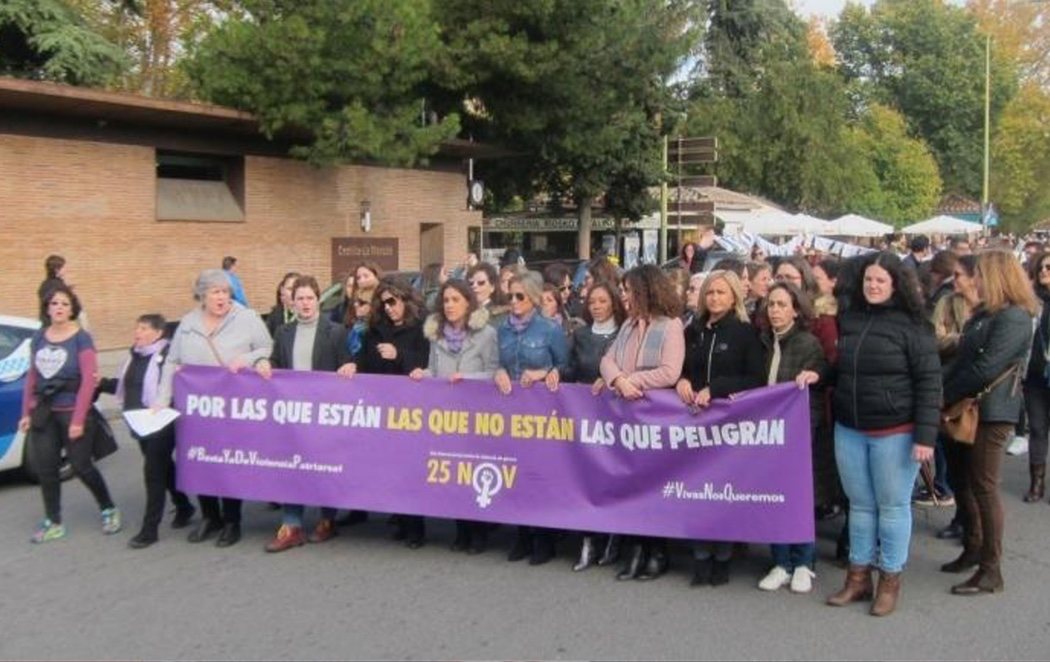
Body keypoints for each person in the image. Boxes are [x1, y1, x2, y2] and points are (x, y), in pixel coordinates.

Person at [826, 252, 940, 617]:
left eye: (880, 280)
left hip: (896, 431)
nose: (873, 286)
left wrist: (925, 436)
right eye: (868, 280)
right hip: (850, 428)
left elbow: (929, 382)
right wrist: (820, 376)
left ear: (895, 284)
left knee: (892, 508)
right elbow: (843, 369)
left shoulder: (913, 326)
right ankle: (858, 579)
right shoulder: (851, 319)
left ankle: (890, 579)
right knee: (859, 507)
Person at [941, 250, 1036, 596]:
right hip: (967, 406)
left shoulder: (1014, 317)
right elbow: (963, 361)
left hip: (991, 411)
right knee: (962, 481)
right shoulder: (984, 315)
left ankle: (991, 568)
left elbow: (986, 368)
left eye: (979, 273)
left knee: (983, 485)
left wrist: (944, 393)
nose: (974, 279)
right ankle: (973, 546)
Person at [157, 269, 273, 547]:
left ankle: (232, 520)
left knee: (227, 460)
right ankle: (211, 516)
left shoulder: (247, 318)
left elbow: (267, 347)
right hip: (196, 407)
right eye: (215, 292)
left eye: (225, 292)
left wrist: (246, 359)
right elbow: (172, 362)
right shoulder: (187, 323)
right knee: (199, 459)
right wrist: (162, 400)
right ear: (202, 295)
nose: (221, 297)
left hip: (232, 405)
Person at [676, 270, 764, 586]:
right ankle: (701, 558)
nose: (714, 298)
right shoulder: (693, 330)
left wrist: (717, 388)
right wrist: (683, 380)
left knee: (722, 493)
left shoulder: (744, 332)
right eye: (710, 293)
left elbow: (756, 378)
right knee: (697, 491)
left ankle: (723, 558)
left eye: (721, 293)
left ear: (734, 298)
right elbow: (682, 368)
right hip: (695, 424)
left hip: (729, 426)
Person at [256, 276, 355, 552]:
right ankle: (292, 525)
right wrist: (264, 362)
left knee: (325, 466)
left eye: (310, 298)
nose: (305, 303)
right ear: (292, 301)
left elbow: (346, 362)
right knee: (293, 467)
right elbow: (276, 363)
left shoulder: (336, 332)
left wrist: (349, 367)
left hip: (325, 414)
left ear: (318, 300)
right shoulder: (283, 332)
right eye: (300, 298)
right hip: (294, 416)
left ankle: (327, 519)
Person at [600, 265, 685, 581]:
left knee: (653, 485)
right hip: (627, 418)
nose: (624, 297)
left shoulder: (670, 326)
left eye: (629, 291)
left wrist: (632, 379)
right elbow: (607, 360)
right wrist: (618, 379)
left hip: (655, 418)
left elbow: (669, 371)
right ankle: (636, 546)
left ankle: (656, 550)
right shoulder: (627, 327)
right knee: (631, 484)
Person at [19, 284, 121, 543]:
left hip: (72, 411)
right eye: (54, 303)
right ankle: (53, 521)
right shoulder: (39, 337)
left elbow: (88, 380)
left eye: (65, 304)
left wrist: (78, 419)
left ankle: (108, 507)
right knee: (46, 469)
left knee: (81, 466)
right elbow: (32, 376)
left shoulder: (81, 338)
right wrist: (26, 412)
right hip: (44, 411)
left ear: (72, 308)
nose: (59, 308)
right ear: (47, 308)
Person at [411, 280, 500, 554]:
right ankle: (461, 530)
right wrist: (421, 374)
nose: (449, 305)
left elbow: (495, 372)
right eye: (446, 300)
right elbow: (434, 370)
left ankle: (479, 532)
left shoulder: (486, 334)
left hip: (477, 413)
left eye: (455, 300)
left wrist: (468, 378)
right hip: (447, 414)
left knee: (473, 471)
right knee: (454, 474)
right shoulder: (436, 336)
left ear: (468, 303)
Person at [97, 314, 195, 548]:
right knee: (164, 468)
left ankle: (149, 530)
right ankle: (184, 506)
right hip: (139, 422)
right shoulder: (134, 357)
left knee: (152, 472)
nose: (137, 332)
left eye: (143, 328)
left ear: (158, 333)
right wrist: (101, 383)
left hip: (161, 422)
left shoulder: (167, 358)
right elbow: (126, 387)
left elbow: (178, 385)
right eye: (137, 327)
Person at [756, 283, 828, 595]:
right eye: (771, 304)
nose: (775, 310)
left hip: (797, 433)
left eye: (782, 304)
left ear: (795, 310)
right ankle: (781, 561)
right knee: (774, 498)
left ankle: (803, 562)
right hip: (765, 434)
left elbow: (818, 380)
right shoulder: (762, 342)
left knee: (798, 498)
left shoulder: (807, 343)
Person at [495, 271, 568, 566]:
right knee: (515, 474)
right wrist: (498, 372)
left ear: (534, 299)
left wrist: (545, 373)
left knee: (540, 475)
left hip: (542, 414)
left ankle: (544, 538)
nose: (513, 301)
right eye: (510, 296)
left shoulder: (549, 329)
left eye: (520, 296)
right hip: (511, 412)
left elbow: (566, 365)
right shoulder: (501, 330)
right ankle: (522, 534)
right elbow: (497, 364)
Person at [355, 276, 430, 547]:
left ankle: (416, 527)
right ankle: (399, 518)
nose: (387, 308)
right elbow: (363, 361)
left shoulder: (422, 329)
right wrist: (353, 365)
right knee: (391, 468)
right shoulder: (375, 330)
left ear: (405, 300)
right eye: (383, 303)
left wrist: (399, 355)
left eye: (392, 302)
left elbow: (426, 364)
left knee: (411, 469)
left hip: (411, 410)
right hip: (383, 409)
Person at [563, 280, 627, 571]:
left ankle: (614, 536)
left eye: (602, 301)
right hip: (585, 413)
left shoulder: (625, 333)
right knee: (586, 478)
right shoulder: (581, 335)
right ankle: (588, 540)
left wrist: (612, 377)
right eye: (592, 302)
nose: (597, 307)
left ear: (614, 302)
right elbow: (570, 368)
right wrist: (551, 373)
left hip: (617, 414)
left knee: (613, 477)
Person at [934, 255, 978, 542]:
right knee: (953, 461)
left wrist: (959, 338)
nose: (955, 280)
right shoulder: (946, 302)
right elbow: (936, 336)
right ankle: (961, 517)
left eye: (960, 275)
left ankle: (973, 526)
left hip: (976, 394)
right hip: (948, 383)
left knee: (976, 469)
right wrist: (960, 339)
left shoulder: (990, 309)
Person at [1023, 251, 1050, 504]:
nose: (1044, 271)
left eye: (1049, 267)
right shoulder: (1032, 302)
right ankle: (1037, 482)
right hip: (1034, 376)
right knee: (1038, 429)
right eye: (1041, 267)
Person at [467, 262, 509, 328]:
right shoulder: (463, 311)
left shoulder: (500, 314)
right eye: (471, 283)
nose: (474, 286)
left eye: (481, 283)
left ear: (492, 287)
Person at [265, 271, 300, 338]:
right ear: (282, 290)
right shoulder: (274, 315)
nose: (294, 293)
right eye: (290, 289)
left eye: (297, 289)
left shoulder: (309, 316)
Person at [38, 254, 66, 323]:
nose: (65, 270)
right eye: (63, 268)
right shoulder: (57, 286)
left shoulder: (45, 284)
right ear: (57, 270)